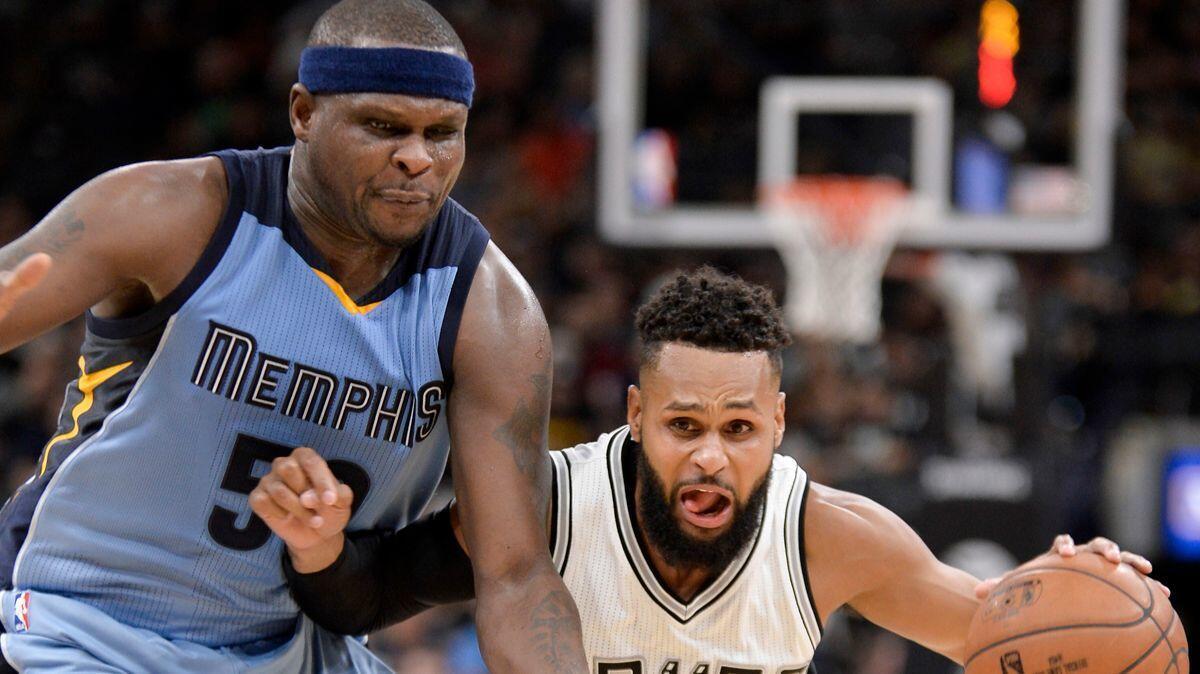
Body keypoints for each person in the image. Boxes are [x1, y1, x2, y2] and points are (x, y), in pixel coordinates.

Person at [0, 0, 586, 671]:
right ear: (304, 113)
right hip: (77, 625)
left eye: (443, 133)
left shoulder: (491, 312)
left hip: (297, 653)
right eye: (383, 126)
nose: (417, 159)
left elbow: (514, 575)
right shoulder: (169, 215)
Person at [263, 267, 1162, 672]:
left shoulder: (832, 539)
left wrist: (1076, 586)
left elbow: (989, 634)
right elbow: (365, 601)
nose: (709, 453)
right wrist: (318, 547)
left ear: (778, 421)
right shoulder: (549, 505)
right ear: (636, 417)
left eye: (738, 426)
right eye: (683, 424)